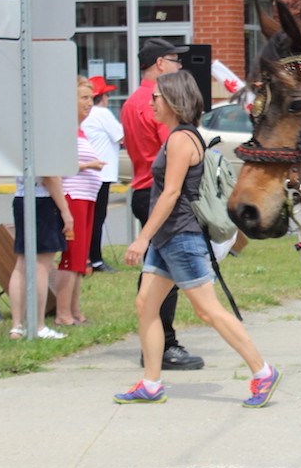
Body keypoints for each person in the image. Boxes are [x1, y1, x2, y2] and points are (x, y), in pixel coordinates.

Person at [115, 71, 281, 407]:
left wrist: (142, 238)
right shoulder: (179, 136)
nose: (151, 103)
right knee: (146, 304)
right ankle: (151, 383)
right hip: (168, 238)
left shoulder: (181, 140)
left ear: (173, 100)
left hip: (181, 237)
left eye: (156, 98)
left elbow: (171, 194)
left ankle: (263, 371)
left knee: (208, 310)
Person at [120, 38, 204, 371]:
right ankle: (164, 344)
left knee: (156, 273)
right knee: (167, 275)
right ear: (159, 64)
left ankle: (155, 344)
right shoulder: (157, 103)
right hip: (160, 194)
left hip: (142, 188)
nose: (179, 66)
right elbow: (171, 148)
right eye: (174, 60)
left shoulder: (131, 102)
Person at [55, 77, 106, 326]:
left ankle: (74, 310)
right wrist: (89, 165)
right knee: (71, 256)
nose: (89, 103)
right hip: (72, 196)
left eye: (91, 99)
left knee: (80, 257)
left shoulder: (81, 130)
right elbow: (59, 165)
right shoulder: (64, 130)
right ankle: (63, 312)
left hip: (86, 197)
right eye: (84, 98)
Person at [8, 174, 72, 340]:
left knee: (22, 264)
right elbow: (50, 176)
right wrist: (65, 210)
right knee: (41, 265)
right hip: (43, 200)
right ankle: (38, 325)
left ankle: (17, 325)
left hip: (22, 196)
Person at [82, 75, 124, 273]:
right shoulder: (102, 113)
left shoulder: (87, 115)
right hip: (102, 173)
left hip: (89, 173)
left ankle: (87, 256)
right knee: (98, 218)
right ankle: (96, 258)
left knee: (89, 218)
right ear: (102, 97)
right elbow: (121, 135)